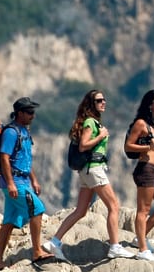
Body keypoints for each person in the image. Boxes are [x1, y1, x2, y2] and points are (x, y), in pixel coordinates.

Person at [43, 89, 134, 261]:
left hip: (87, 171)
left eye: (104, 99)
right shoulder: (90, 123)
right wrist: (101, 136)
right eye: (99, 100)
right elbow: (83, 145)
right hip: (94, 169)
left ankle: (54, 242)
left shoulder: (91, 122)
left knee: (81, 210)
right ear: (91, 104)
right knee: (114, 206)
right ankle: (115, 246)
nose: (103, 102)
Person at [0, 96, 52, 270]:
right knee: (38, 209)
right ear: (19, 113)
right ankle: (37, 251)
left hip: (22, 180)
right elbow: (4, 157)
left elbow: (24, 159)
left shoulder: (24, 131)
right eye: (29, 112)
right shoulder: (11, 132)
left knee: (9, 222)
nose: (33, 115)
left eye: (33, 112)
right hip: (15, 182)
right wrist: (10, 184)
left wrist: (34, 180)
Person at [124, 89, 154, 261]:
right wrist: (148, 147)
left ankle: (140, 237)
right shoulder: (141, 123)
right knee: (143, 210)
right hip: (145, 169)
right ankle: (142, 249)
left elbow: (152, 145)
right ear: (150, 104)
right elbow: (129, 146)